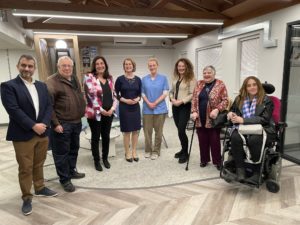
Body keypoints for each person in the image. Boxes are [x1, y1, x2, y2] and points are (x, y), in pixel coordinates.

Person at [1, 55, 57, 216]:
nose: (27, 69)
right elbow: (13, 110)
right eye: (24, 65)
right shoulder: (8, 86)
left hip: (42, 132)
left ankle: (39, 188)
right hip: (23, 134)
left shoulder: (41, 86)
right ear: (18, 66)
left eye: (30, 66)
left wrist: (44, 124)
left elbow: (48, 106)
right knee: (25, 168)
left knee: (39, 163)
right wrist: (33, 126)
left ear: (34, 68)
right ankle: (26, 197)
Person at [46, 56, 86, 192]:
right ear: (58, 67)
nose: (67, 68)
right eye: (64, 66)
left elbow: (79, 94)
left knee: (74, 149)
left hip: (76, 122)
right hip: (62, 124)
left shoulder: (74, 78)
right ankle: (64, 179)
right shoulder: (51, 82)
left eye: (69, 65)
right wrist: (55, 124)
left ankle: (71, 171)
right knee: (61, 153)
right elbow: (48, 106)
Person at [227, 76, 276, 181]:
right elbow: (233, 110)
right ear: (245, 88)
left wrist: (243, 120)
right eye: (249, 85)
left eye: (254, 84)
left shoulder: (266, 100)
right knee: (235, 137)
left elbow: (264, 119)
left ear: (258, 85)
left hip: (262, 128)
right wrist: (231, 114)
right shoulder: (239, 99)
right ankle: (241, 171)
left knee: (254, 139)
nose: (252, 87)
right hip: (242, 128)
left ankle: (257, 172)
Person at [191, 65, 229, 170]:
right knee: (202, 140)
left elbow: (225, 100)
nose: (206, 75)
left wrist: (217, 109)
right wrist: (194, 111)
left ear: (214, 73)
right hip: (200, 118)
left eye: (209, 73)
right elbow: (194, 99)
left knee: (214, 141)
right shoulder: (199, 84)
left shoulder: (220, 84)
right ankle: (204, 159)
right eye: (204, 73)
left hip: (213, 119)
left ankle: (217, 161)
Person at [84, 56, 117, 171]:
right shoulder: (89, 77)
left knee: (106, 137)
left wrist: (112, 109)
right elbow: (90, 97)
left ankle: (105, 158)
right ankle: (96, 160)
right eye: (97, 64)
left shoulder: (110, 78)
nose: (100, 66)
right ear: (94, 65)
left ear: (105, 65)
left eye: (102, 63)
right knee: (96, 137)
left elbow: (115, 95)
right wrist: (102, 110)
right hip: (95, 114)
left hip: (109, 113)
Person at [170, 58, 196, 163]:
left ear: (187, 67)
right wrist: (172, 99)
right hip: (175, 106)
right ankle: (183, 149)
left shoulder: (191, 78)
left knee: (181, 129)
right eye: (179, 66)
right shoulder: (176, 77)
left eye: (183, 66)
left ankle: (185, 153)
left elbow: (192, 94)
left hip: (184, 106)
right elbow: (171, 91)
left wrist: (180, 101)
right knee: (179, 130)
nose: (181, 68)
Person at [115, 58, 142, 162]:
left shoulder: (138, 79)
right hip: (124, 107)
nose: (128, 66)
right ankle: (127, 152)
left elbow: (140, 93)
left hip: (135, 107)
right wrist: (125, 100)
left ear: (133, 66)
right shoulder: (120, 79)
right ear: (124, 66)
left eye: (130, 64)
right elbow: (116, 94)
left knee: (135, 130)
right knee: (126, 131)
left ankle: (134, 151)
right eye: (126, 64)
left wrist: (137, 99)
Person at [142, 58, 169, 160]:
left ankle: (156, 151)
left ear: (157, 66)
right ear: (148, 67)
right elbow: (142, 93)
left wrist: (155, 103)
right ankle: (148, 150)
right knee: (147, 131)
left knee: (159, 131)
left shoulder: (163, 78)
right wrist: (149, 103)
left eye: (154, 65)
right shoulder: (144, 79)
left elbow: (165, 92)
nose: (152, 67)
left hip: (160, 108)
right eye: (150, 65)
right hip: (147, 109)